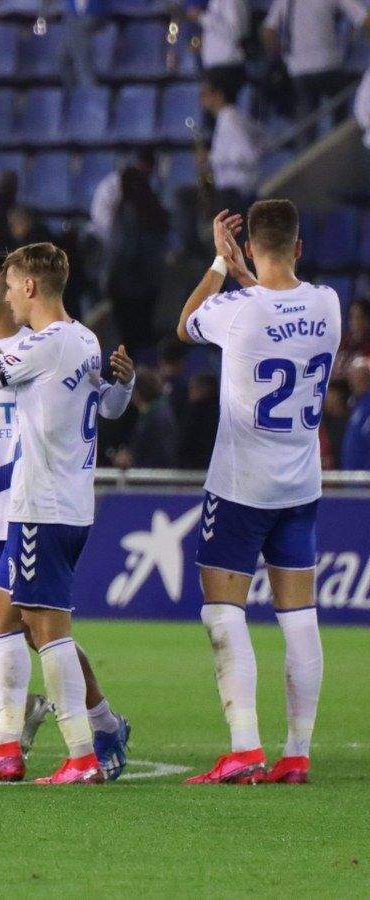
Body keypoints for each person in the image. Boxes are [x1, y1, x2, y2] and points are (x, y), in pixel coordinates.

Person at [0, 250, 135, 781]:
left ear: (33, 287)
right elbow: (2, 373)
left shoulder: (47, 345)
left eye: (12, 287)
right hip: (56, 502)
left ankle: (83, 754)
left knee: (50, 630)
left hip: (44, 504)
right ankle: (7, 745)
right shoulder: (81, 338)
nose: (8, 297)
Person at [175, 201, 341, 784]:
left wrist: (220, 264)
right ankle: (296, 753)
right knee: (300, 620)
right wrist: (245, 271)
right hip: (300, 485)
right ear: (298, 246)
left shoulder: (236, 310)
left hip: (242, 486)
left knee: (223, 613)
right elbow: (277, 309)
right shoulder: (328, 303)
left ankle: (245, 748)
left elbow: (186, 321)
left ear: (251, 247)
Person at [103, 165, 172, 358]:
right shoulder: (155, 209)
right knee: (144, 338)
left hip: (126, 287)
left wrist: (109, 280)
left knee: (130, 343)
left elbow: (123, 250)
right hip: (149, 286)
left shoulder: (127, 211)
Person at [262, 0, 370, 118]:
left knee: (306, 122)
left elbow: (268, 32)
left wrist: (280, 56)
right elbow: (364, 18)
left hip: (298, 69)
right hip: (329, 64)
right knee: (340, 115)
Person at [200, 79, 263, 206]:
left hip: (237, 193)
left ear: (219, 94)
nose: (201, 100)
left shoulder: (230, 119)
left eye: (205, 94)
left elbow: (248, 156)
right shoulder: (224, 119)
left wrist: (211, 157)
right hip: (230, 192)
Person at [188, 0, 249, 105]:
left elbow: (236, 31)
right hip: (214, 69)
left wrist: (202, 17)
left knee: (225, 116)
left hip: (227, 69)